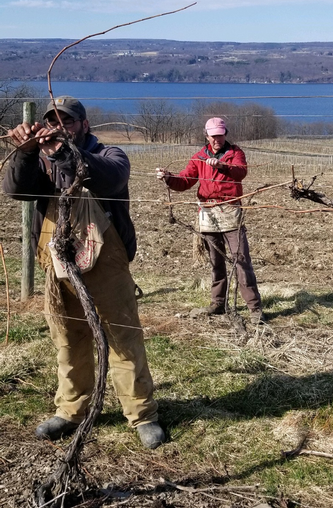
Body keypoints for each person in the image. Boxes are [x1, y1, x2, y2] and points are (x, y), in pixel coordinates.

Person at [3, 96, 165, 449]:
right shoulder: (42, 163)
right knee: (68, 338)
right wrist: (28, 152)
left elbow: (106, 179)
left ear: (84, 125)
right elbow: (15, 190)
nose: (60, 126)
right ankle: (71, 411)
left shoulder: (111, 157)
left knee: (123, 338)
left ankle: (142, 414)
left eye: (69, 121)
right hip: (57, 264)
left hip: (107, 263)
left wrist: (63, 152)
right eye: (54, 120)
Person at [156, 117, 266, 324]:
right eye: (213, 136)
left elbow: (240, 172)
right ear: (206, 136)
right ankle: (218, 303)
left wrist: (222, 166)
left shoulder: (235, 153)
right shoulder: (199, 157)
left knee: (241, 260)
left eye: (220, 135)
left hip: (230, 210)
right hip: (207, 212)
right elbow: (186, 181)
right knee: (216, 261)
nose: (217, 139)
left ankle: (254, 308)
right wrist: (169, 178)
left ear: (225, 134)